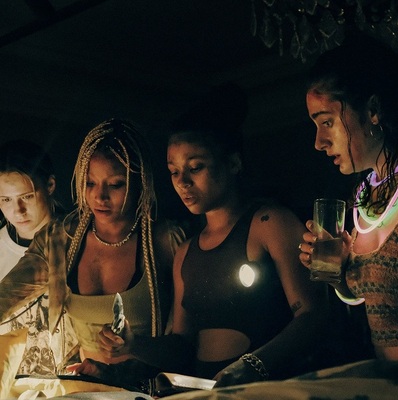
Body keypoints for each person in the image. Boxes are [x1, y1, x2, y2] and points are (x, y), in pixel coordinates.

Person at [74, 85, 328, 389]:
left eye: (195, 167)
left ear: (233, 163)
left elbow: (314, 316)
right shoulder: (185, 252)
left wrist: (254, 365)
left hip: (266, 391)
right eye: (174, 171)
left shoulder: (269, 224)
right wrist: (133, 344)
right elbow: (182, 348)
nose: (182, 182)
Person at [0, 119, 185, 386]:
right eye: (90, 183)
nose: (100, 196)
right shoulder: (60, 239)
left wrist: (134, 345)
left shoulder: (166, 241)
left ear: (140, 183)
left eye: (115, 184)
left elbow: (187, 349)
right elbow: (6, 296)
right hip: (84, 388)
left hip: (146, 392)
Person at [299, 34, 398, 362]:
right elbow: (371, 295)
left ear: (373, 110)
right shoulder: (364, 196)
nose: (318, 142)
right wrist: (339, 271)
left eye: (327, 122)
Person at [0, 139, 73, 377]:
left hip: (66, 378)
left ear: (50, 185)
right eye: (6, 200)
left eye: (27, 196)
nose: (17, 210)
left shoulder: (77, 239)